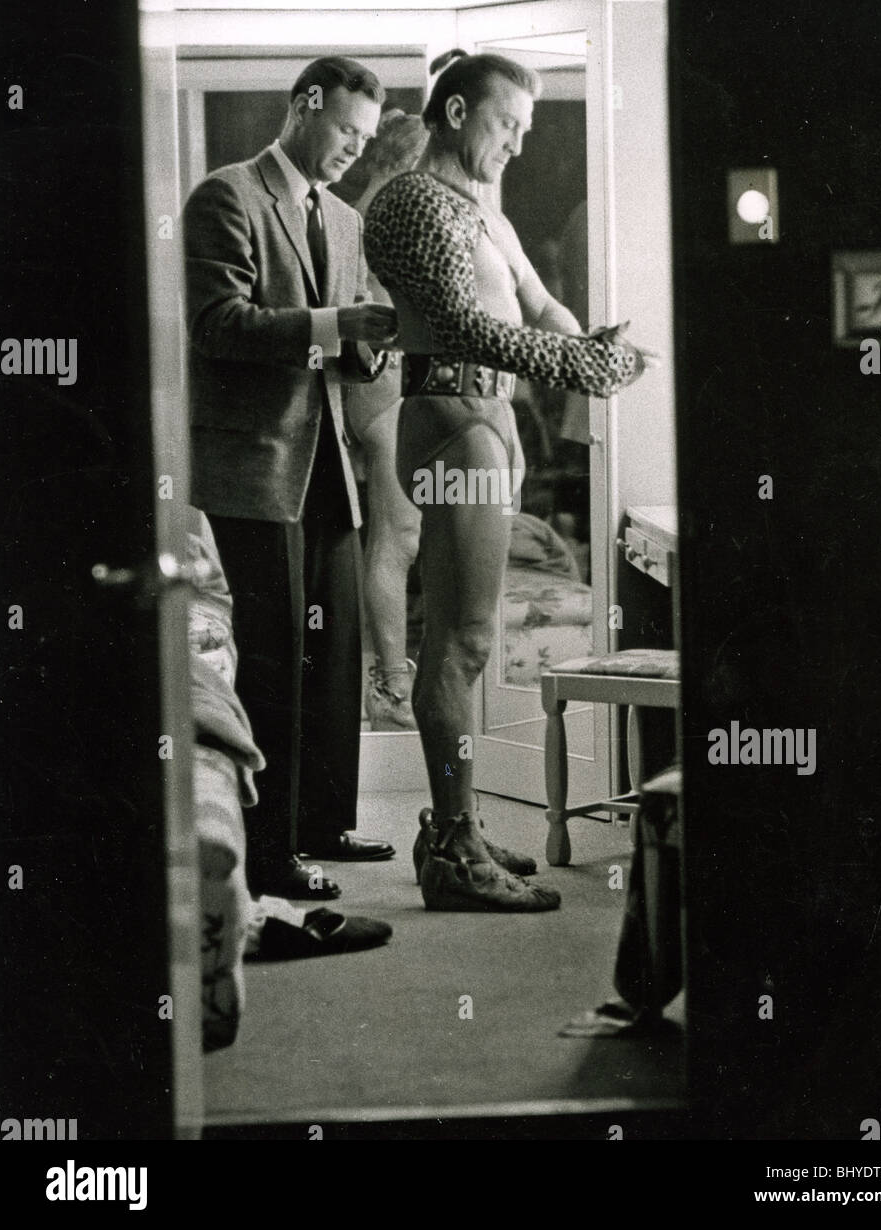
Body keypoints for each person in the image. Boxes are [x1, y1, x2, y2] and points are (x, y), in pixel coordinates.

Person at [364, 49, 651, 912]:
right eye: (505, 124)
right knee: (459, 642)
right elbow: (458, 324)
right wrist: (581, 365)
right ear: (455, 114)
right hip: (451, 426)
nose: (518, 144)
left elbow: (535, 307)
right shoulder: (413, 201)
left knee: (473, 639)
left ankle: (458, 823)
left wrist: (592, 343)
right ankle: (452, 846)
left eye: (527, 129)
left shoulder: (484, 215)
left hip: (489, 427)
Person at [183, 56, 398, 901]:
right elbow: (215, 326)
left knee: (331, 652)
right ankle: (269, 853)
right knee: (272, 660)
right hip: (253, 468)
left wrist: (364, 342)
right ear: (306, 106)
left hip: (326, 465)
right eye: (347, 128)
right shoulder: (225, 197)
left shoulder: (343, 221)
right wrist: (333, 322)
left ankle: (322, 823)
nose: (354, 147)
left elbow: (332, 356)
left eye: (365, 136)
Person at [344, 111, 428, 730]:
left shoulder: (359, 210)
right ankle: (390, 684)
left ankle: (382, 677)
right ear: (408, 162)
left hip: (375, 383)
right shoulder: (391, 212)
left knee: (387, 539)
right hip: (384, 384)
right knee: (396, 539)